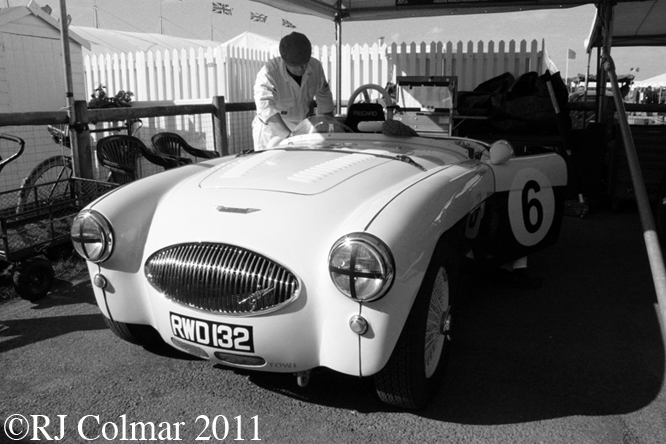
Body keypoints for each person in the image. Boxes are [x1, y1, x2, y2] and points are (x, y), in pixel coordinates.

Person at [252, 32, 335, 150]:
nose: (301, 68)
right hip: (271, 131)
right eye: (295, 65)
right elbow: (266, 108)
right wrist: (289, 138)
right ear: (284, 60)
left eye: (304, 63)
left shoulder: (315, 67)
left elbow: (324, 98)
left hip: (300, 130)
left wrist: (329, 130)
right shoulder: (269, 72)